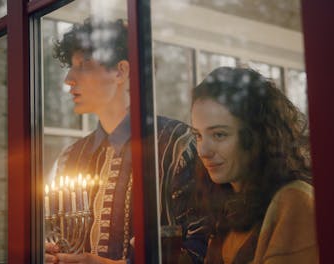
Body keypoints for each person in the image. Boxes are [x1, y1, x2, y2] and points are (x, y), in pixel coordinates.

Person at [45, 18, 214, 263]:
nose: (69, 78)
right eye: (71, 67)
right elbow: (60, 237)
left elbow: (202, 249)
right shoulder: (70, 158)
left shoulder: (178, 146)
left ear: (121, 71)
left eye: (83, 65)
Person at [190, 67, 318, 263]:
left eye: (219, 135)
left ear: (258, 136)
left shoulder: (294, 202)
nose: (203, 151)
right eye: (198, 135)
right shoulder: (230, 208)